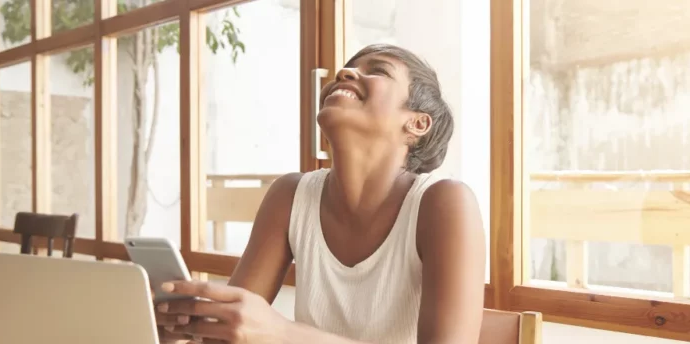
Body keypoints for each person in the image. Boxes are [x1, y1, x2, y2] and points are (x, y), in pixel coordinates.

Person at [153, 44, 486, 344]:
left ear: (417, 124)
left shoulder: (444, 204)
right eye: (348, 67)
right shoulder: (290, 195)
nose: (345, 73)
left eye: (378, 71)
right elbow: (230, 332)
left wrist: (284, 334)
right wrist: (188, 327)